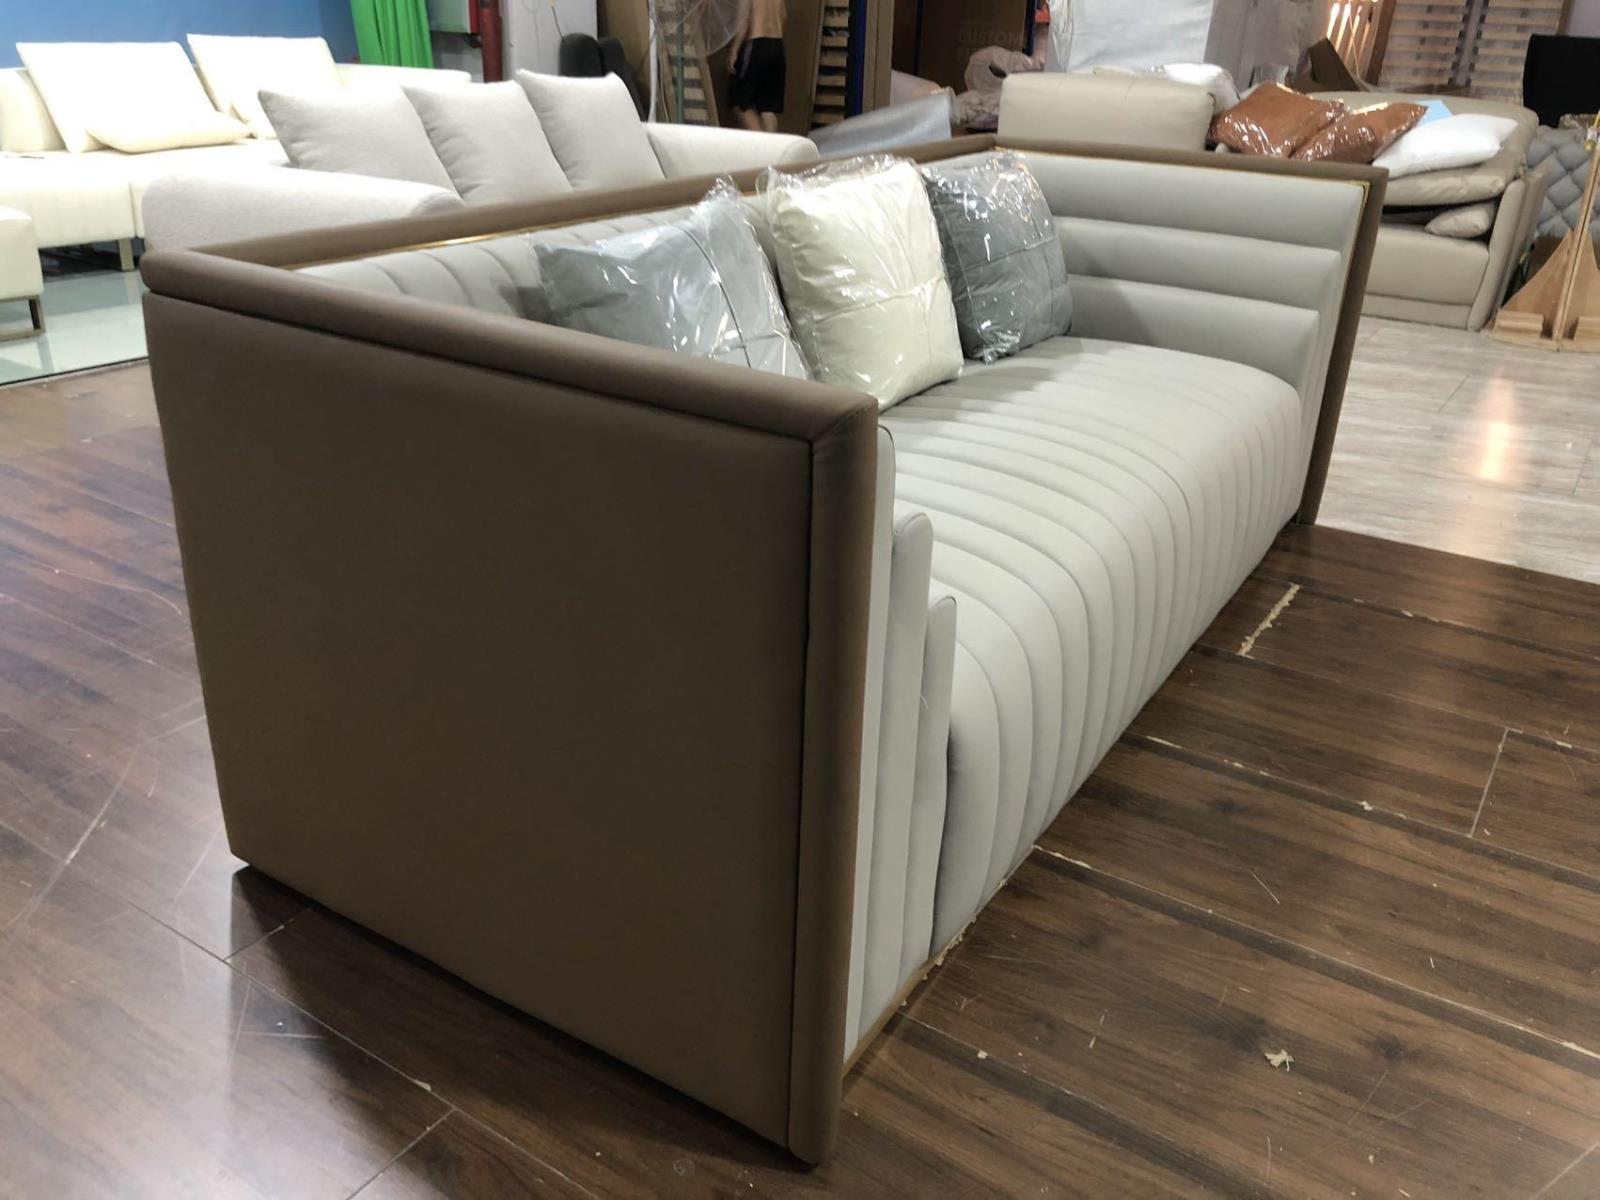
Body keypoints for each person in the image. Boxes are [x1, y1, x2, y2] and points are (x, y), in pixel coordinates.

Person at [728, 0, 786, 133]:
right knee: (767, 107)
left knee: (741, 102)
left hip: (757, 43)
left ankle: (760, 140)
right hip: (777, 44)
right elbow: (783, 15)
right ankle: (771, 143)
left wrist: (734, 50)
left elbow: (744, 20)